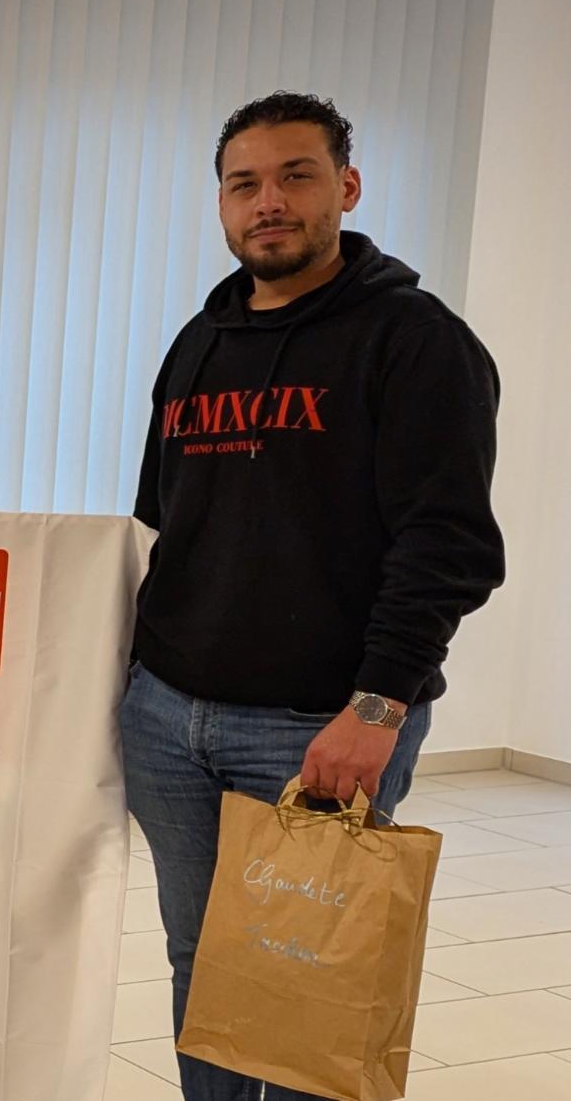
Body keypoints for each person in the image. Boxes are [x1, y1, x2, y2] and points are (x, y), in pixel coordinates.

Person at [125, 92, 505, 1101]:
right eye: (244, 183)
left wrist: (377, 708)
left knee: (307, 985)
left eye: (295, 175)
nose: (269, 201)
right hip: (169, 722)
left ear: (347, 186)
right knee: (200, 966)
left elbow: (449, 547)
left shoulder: (417, 341)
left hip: (321, 723)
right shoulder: (197, 344)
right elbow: (168, 528)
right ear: (221, 203)